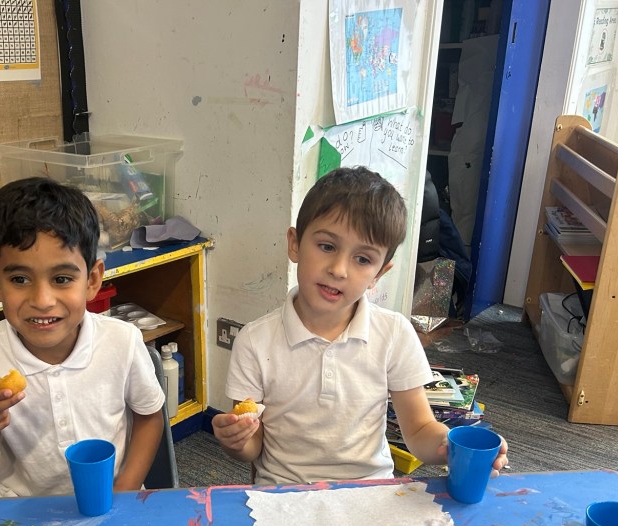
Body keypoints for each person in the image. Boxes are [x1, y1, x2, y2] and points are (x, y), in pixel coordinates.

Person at [212, 166, 508, 484]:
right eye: (327, 246)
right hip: (285, 492)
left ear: (379, 274)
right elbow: (253, 447)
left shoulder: (394, 334)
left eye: (363, 259)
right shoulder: (254, 341)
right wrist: (236, 441)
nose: (339, 269)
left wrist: (449, 447)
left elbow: (420, 429)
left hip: (369, 490)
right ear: (295, 244)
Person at [0, 177, 164, 497]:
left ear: (92, 280)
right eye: (19, 279)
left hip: (112, 496)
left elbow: (149, 417)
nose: (43, 300)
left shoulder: (123, 341)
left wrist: (124, 490)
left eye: (62, 279)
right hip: (25, 509)